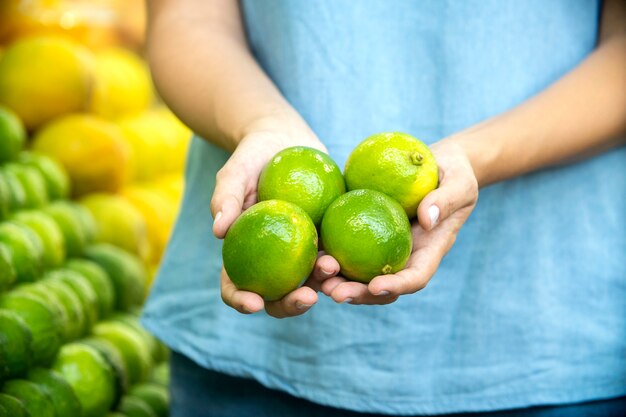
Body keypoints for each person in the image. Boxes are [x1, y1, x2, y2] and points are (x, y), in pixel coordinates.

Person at [142, 1, 626, 416]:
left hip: (542, 333)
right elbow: (188, 19)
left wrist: (473, 160)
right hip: (247, 359)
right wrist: (260, 125)